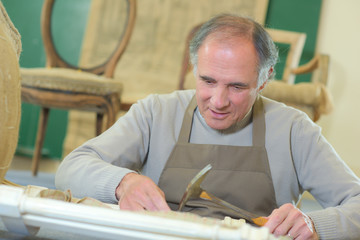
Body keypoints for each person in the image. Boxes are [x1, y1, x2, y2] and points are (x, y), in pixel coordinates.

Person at [56, 14, 360, 239]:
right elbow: (71, 168)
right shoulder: (157, 112)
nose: (218, 101)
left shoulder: (295, 130)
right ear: (194, 68)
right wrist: (123, 183)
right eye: (208, 81)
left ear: (264, 80)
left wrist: (315, 225)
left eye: (237, 86)